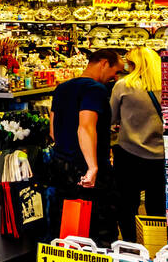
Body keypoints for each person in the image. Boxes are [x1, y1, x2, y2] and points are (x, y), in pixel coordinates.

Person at [48, 48, 124, 245]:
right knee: (99, 226)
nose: (115, 77)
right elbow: (86, 126)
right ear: (104, 63)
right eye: (116, 71)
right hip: (85, 168)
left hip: (61, 164)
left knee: (66, 223)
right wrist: (93, 167)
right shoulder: (95, 89)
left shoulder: (62, 88)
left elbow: (53, 132)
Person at [111, 47, 165, 244]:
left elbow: (112, 117)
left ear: (134, 64)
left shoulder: (124, 85)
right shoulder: (167, 85)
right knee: (157, 204)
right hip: (161, 155)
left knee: (127, 204)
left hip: (129, 153)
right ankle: (156, 245)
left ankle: (130, 245)